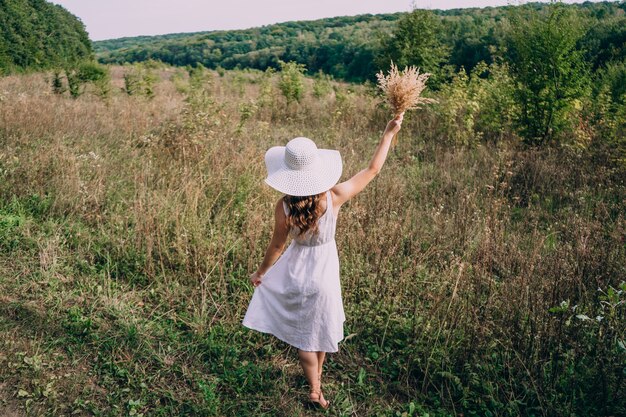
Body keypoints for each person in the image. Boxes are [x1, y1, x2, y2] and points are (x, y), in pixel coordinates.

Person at [242, 113, 404, 409]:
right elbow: (372, 169)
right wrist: (388, 134)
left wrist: (261, 272)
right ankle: (318, 383)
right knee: (320, 328)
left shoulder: (284, 207)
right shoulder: (334, 196)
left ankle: (314, 387)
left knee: (305, 336)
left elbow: (277, 245)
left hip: (297, 272)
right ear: (316, 169)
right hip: (325, 272)